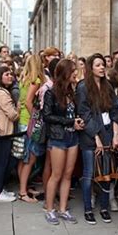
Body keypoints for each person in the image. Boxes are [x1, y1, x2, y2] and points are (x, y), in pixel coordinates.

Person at [76, 53, 118, 225]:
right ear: (90, 68)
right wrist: (96, 138)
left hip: (108, 133)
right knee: (89, 174)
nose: (102, 67)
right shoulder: (82, 87)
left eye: (103, 64)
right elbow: (84, 114)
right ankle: (88, 209)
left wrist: (115, 134)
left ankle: (103, 208)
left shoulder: (107, 86)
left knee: (106, 174)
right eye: (98, 65)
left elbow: (115, 110)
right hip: (90, 136)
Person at [43, 59, 83, 225]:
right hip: (58, 138)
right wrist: (70, 122)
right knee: (57, 175)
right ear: (65, 72)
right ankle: (50, 209)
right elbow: (47, 116)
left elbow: (72, 114)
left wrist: (77, 121)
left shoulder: (72, 91)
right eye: (73, 70)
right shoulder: (51, 93)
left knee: (68, 175)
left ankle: (63, 209)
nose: (76, 72)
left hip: (73, 137)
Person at [17, 54, 46, 203]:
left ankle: (24, 187)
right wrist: (37, 119)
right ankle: (23, 192)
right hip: (29, 122)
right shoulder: (36, 80)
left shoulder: (24, 79)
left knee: (24, 159)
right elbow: (29, 102)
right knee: (30, 158)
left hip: (22, 120)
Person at [0, 66, 18, 203]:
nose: (10, 76)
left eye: (11, 74)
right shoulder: (1, 93)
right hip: (4, 132)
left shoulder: (1, 92)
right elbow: (12, 114)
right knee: (2, 162)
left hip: (4, 131)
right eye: (7, 74)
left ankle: (0, 188)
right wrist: (18, 108)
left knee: (4, 161)